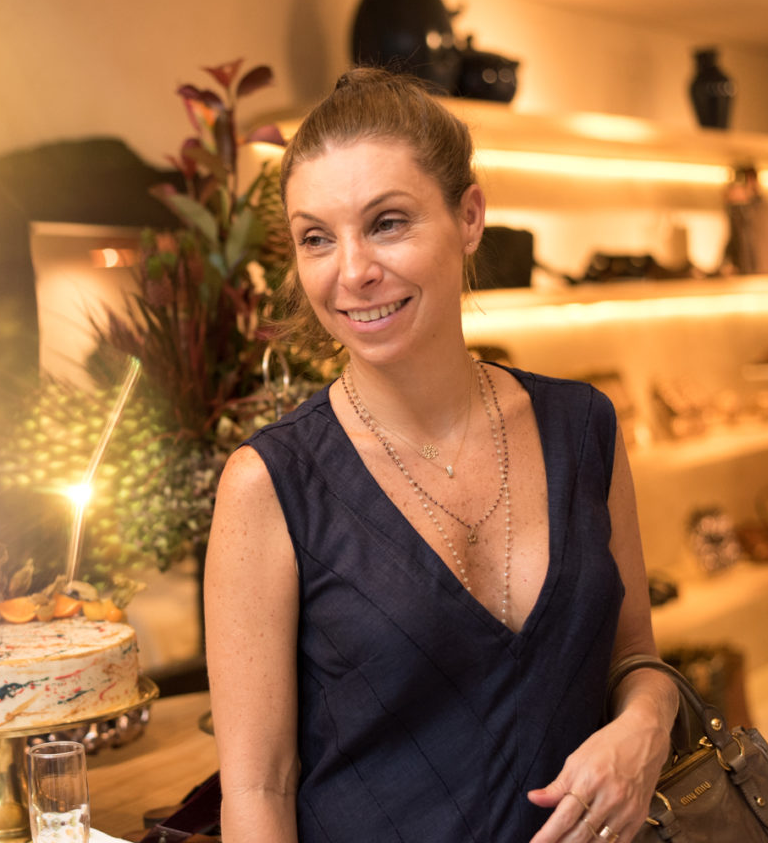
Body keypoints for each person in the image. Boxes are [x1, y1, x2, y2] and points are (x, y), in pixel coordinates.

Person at [203, 68, 678, 843]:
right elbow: (259, 786)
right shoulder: (271, 484)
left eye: (387, 223)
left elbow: (634, 656)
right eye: (316, 237)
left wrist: (647, 724)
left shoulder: (584, 426)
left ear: (469, 217)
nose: (352, 271)